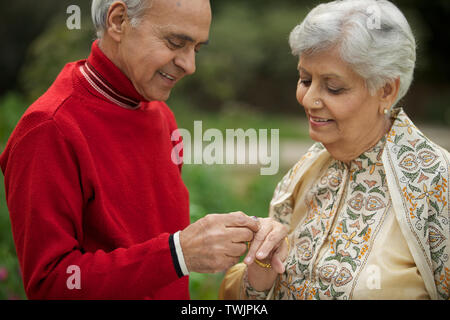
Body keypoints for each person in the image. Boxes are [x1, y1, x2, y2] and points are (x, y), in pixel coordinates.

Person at [0, 0, 263, 299]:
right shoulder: (50, 128)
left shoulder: (160, 114)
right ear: (118, 20)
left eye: (197, 49)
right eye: (176, 42)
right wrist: (178, 254)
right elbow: (50, 285)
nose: (190, 66)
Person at [220, 0, 450, 300]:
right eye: (305, 80)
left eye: (333, 87)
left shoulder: (435, 183)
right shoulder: (304, 174)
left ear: (386, 90)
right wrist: (260, 273)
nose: (309, 99)